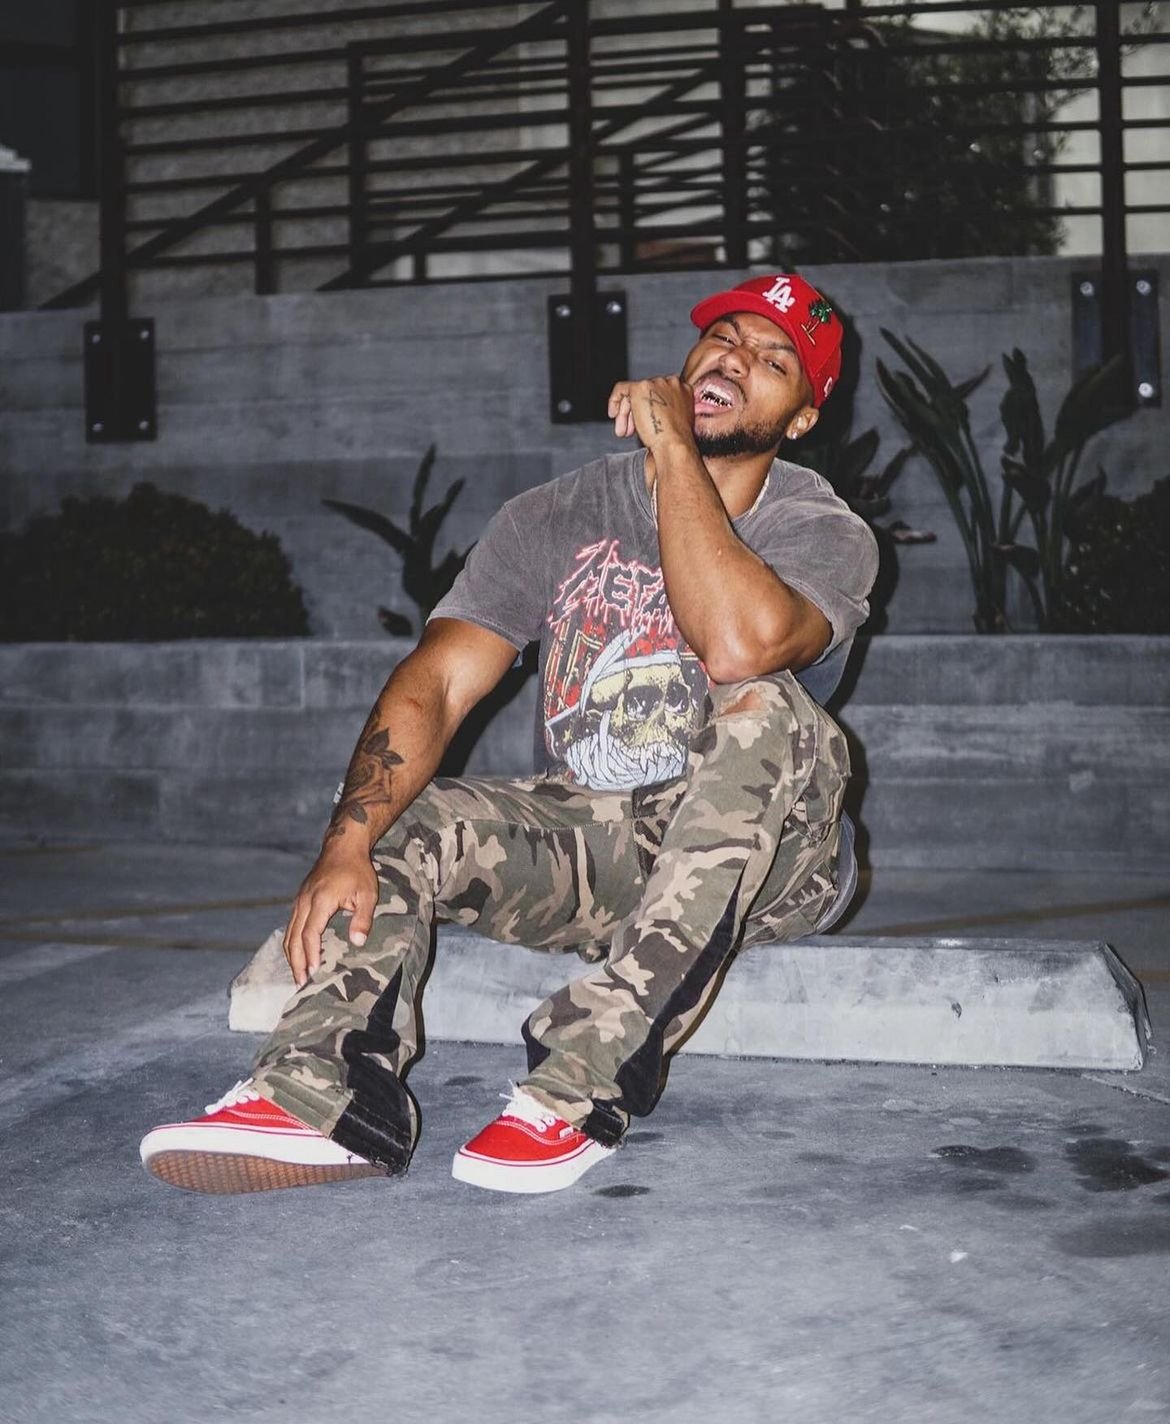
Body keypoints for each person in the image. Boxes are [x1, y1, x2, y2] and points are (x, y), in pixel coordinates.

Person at [140, 273, 878, 1196]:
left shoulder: (822, 528)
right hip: (602, 842)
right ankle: (324, 1098)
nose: (736, 360)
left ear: (801, 417)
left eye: (774, 361)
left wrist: (673, 451)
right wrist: (347, 843)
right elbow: (442, 681)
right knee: (403, 817)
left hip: (774, 864)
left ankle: (577, 1091)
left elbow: (739, 648)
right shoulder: (555, 514)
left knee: (765, 707)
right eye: (724, 338)